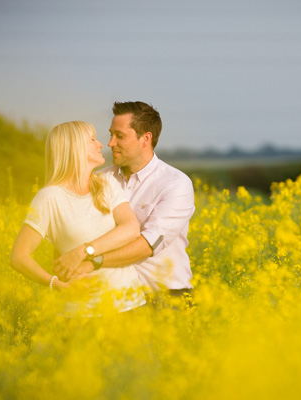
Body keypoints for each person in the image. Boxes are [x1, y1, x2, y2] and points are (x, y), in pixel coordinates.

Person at [54, 101, 195, 304]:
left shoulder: (175, 184)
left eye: (119, 136)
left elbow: (148, 245)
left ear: (146, 138)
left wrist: (92, 262)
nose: (110, 143)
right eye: (111, 134)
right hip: (114, 301)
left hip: (166, 298)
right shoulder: (97, 180)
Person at [10, 121, 146, 314]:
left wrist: (83, 251)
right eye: (92, 139)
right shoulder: (49, 197)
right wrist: (58, 286)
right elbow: (18, 257)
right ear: (73, 148)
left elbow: (131, 229)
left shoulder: (107, 184)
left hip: (129, 305)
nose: (101, 144)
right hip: (82, 313)